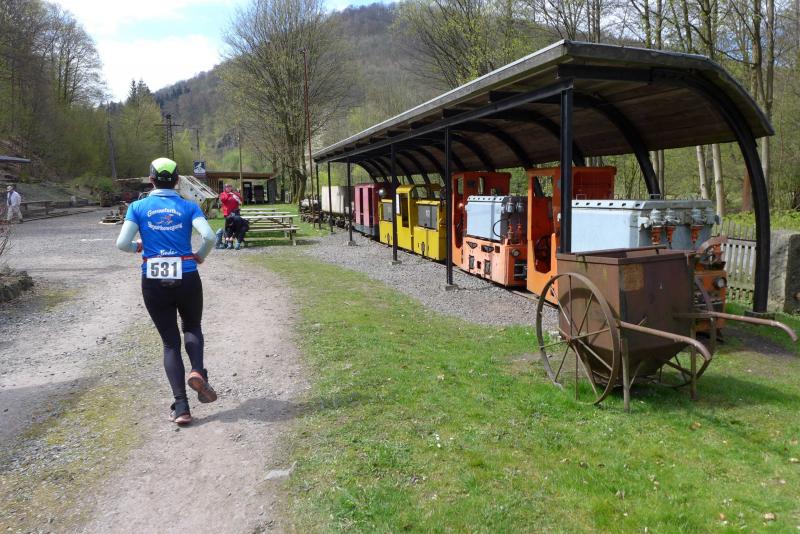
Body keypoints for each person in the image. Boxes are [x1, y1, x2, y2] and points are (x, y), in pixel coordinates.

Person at [115, 157, 218, 425]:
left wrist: (138, 247)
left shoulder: (137, 207)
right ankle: (198, 371)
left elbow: (122, 243)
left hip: (153, 278)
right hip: (187, 274)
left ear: (151, 180)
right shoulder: (189, 206)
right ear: (177, 180)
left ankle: (181, 407)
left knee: (170, 342)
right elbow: (209, 236)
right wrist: (200, 255)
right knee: (192, 327)